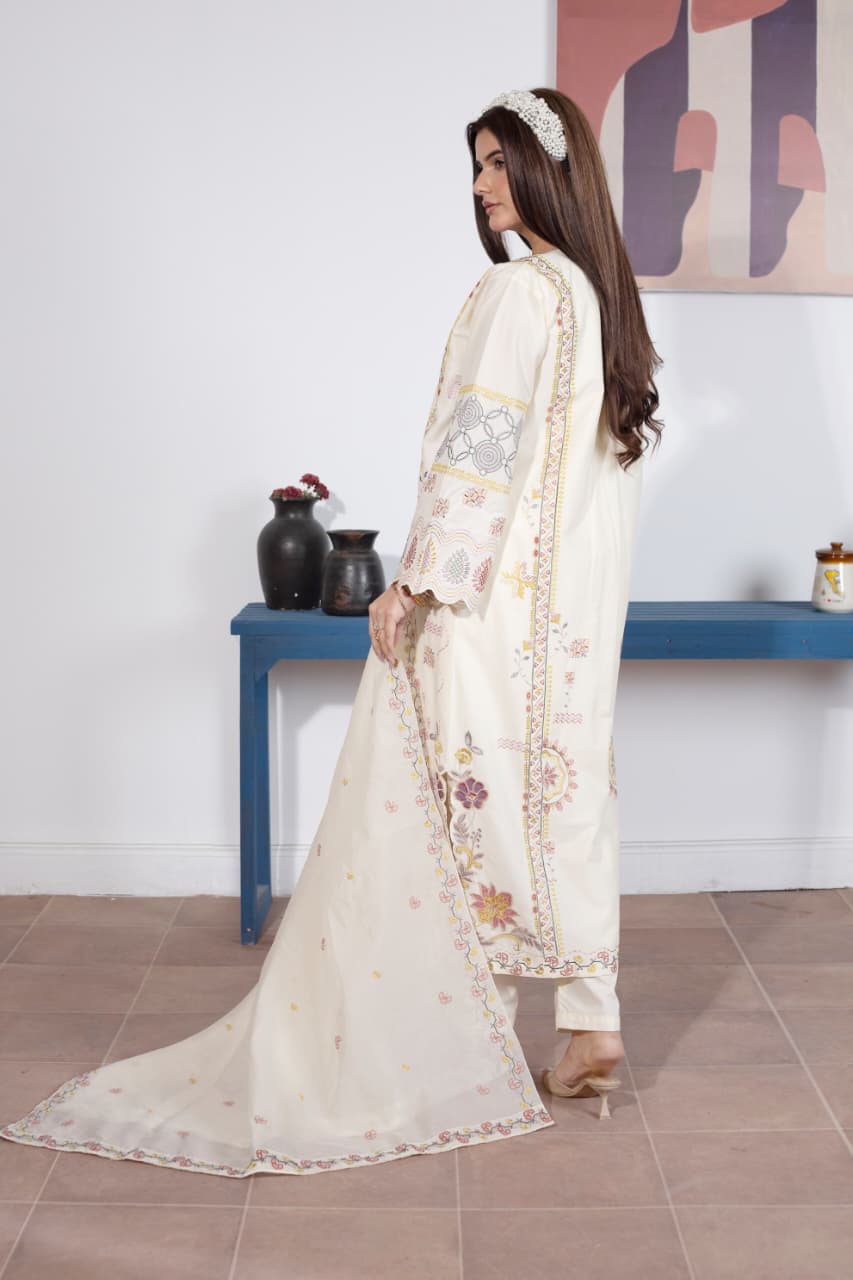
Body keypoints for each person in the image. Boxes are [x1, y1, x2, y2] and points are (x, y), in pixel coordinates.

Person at [0, 87, 662, 1178]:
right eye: (476, 166)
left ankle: (476, 1037)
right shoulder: (598, 303)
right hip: (571, 623)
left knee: (460, 808)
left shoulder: (516, 294)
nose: (480, 186)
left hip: (489, 609)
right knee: (562, 794)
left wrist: (413, 587)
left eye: (496, 163)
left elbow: (476, 452)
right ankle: (590, 1016)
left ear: (550, 170)